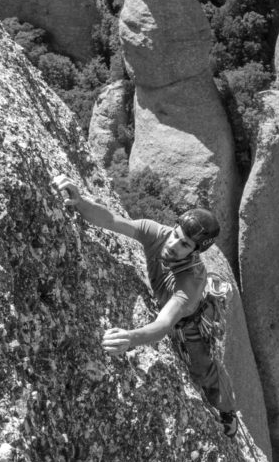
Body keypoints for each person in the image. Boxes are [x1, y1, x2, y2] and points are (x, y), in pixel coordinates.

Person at [51, 174, 239, 437]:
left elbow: (164, 325)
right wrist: (80, 202)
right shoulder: (157, 234)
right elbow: (113, 221)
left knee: (203, 370)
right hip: (170, 306)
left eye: (184, 244)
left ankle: (229, 412)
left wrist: (130, 338)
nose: (173, 244)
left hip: (189, 323)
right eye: (176, 234)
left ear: (195, 252)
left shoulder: (191, 281)